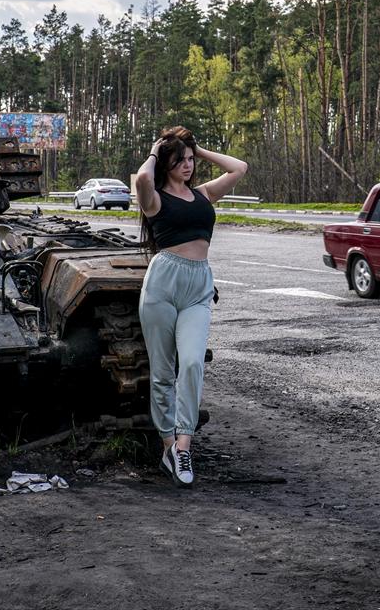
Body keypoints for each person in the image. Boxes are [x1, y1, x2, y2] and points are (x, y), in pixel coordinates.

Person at [134, 126, 247, 487]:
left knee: (194, 362)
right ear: (166, 164)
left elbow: (239, 168)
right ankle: (169, 444)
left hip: (199, 283)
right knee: (163, 371)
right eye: (180, 160)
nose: (187, 165)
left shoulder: (201, 194)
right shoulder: (154, 200)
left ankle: (185, 443)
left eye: (189, 160)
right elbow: (140, 179)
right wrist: (155, 151)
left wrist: (198, 149)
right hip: (163, 283)